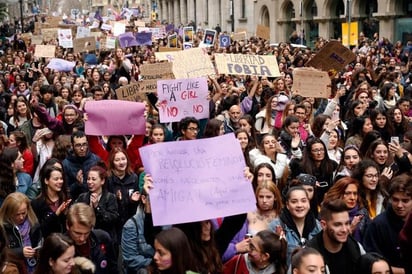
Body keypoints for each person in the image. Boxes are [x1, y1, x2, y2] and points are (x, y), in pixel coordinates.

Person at [363, 173, 412, 274]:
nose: (399, 205)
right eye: (395, 200)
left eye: (405, 201)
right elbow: (370, 262)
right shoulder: (377, 225)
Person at [306, 199, 365, 274]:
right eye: (337, 224)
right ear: (324, 225)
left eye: (347, 223)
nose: (344, 229)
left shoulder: (356, 248)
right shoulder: (308, 254)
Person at [269, 186, 321, 266]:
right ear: (287, 205)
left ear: (309, 203)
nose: (299, 205)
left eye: (304, 201)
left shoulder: (317, 226)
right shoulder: (276, 226)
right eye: (294, 202)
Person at [66, 203, 117, 274]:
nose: (82, 238)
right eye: (77, 233)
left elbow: (113, 268)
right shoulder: (60, 246)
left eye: (86, 233)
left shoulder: (103, 238)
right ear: (67, 225)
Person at [75, 165, 119, 245]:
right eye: (88, 179)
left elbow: (112, 219)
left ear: (102, 181)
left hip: (105, 240)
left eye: (93, 179)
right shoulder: (82, 197)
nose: (90, 182)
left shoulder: (110, 197)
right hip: (85, 239)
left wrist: (97, 207)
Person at [0, 192, 42, 274]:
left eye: (23, 213)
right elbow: (2, 253)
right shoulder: (2, 228)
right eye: (17, 214)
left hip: (34, 265)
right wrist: (20, 252)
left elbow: (39, 242)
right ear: (8, 212)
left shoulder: (33, 223)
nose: (21, 217)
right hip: (14, 268)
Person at [322, 177, 370, 242]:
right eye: (347, 193)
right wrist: (351, 229)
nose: (352, 198)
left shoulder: (363, 213)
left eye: (355, 193)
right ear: (338, 193)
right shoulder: (327, 213)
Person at [31, 165, 71, 238]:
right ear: (46, 181)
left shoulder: (66, 198)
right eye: (56, 179)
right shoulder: (37, 203)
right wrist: (56, 213)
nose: (60, 181)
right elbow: (38, 230)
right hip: (48, 243)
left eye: (61, 178)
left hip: (65, 241)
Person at [223, 230, 287, 274]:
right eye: (249, 244)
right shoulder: (238, 261)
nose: (247, 249)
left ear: (265, 256)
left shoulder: (277, 271)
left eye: (252, 248)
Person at [62, 131, 101, 200]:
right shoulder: (66, 164)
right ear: (72, 145)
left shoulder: (95, 160)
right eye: (78, 145)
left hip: (94, 200)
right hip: (75, 202)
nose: (82, 148)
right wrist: (77, 184)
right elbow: (65, 191)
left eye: (84, 144)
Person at [121, 192, 154, 274]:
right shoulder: (131, 225)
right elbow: (131, 259)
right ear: (144, 199)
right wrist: (156, 263)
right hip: (143, 268)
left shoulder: (166, 224)